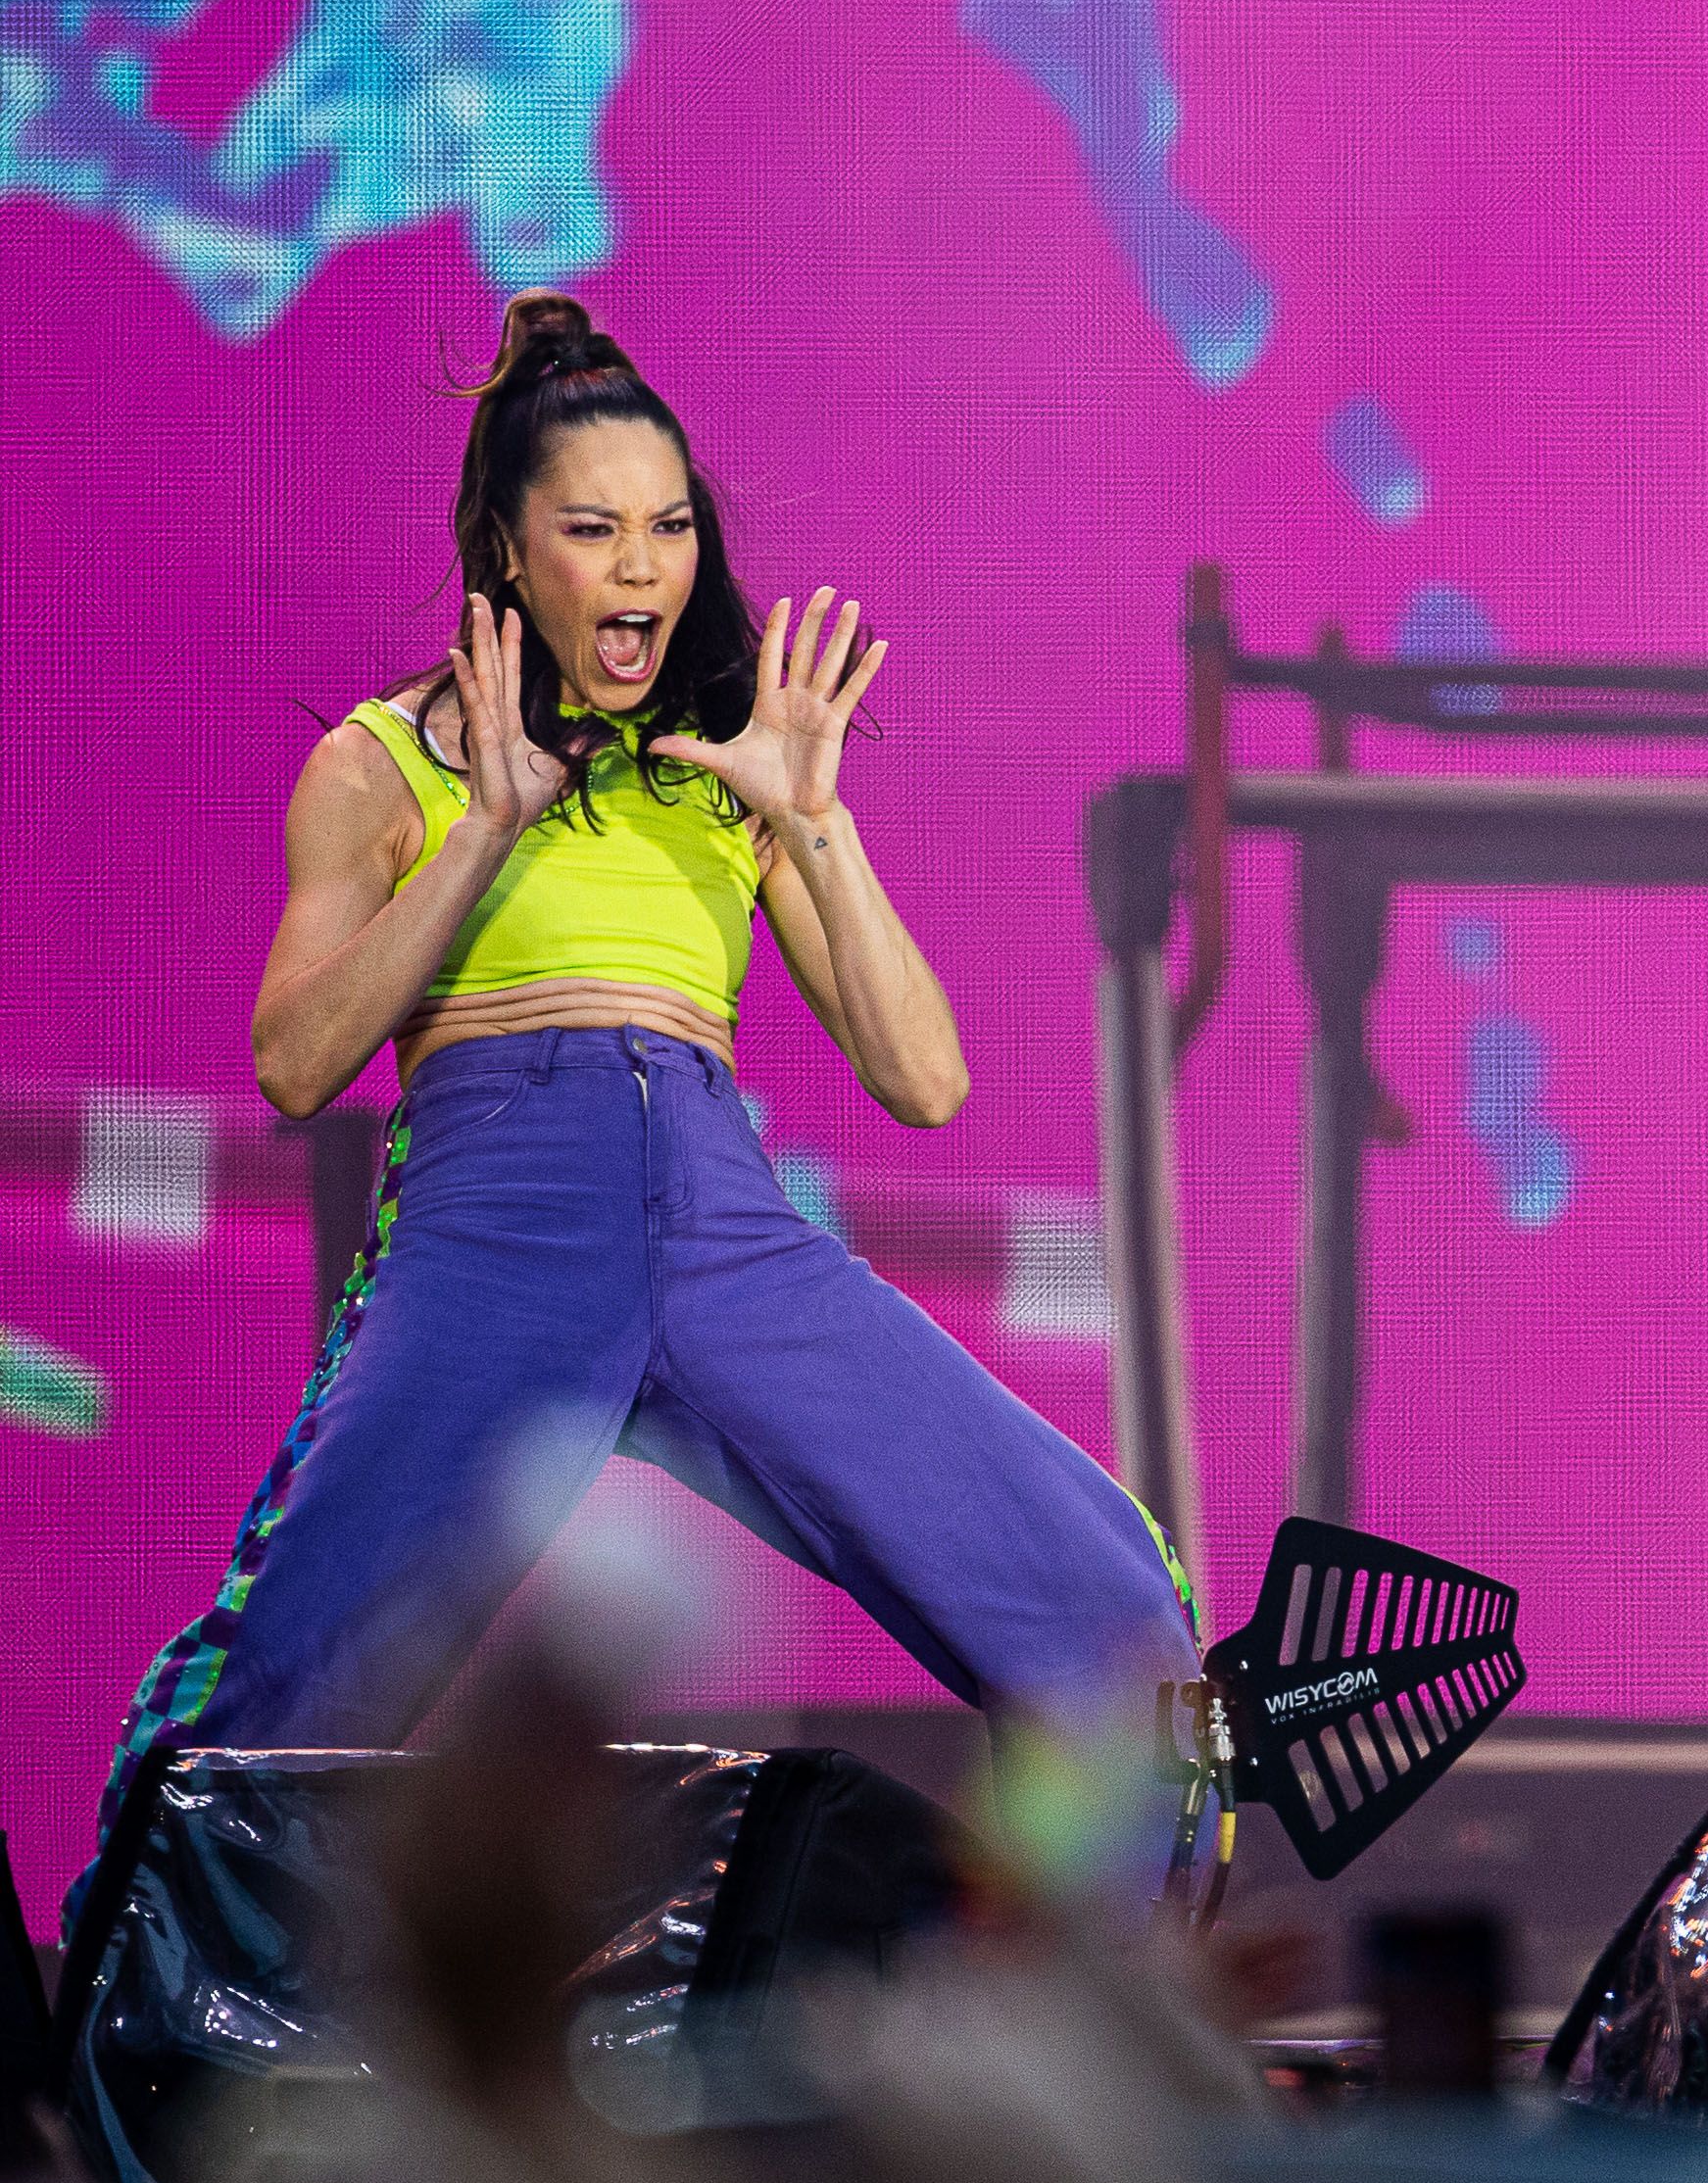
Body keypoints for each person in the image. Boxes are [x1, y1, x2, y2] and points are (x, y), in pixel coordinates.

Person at [97, 292, 1195, 1852]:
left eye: (668, 529)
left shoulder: (733, 776)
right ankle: (148, 2046)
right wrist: (480, 828)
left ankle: (1091, 2045)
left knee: (1096, 1602)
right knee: (292, 1690)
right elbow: (296, 1060)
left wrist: (811, 822)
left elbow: (927, 1081)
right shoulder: (381, 762)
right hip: (495, 1223)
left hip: (721, 1228)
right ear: (509, 552)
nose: (640, 569)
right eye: (595, 530)